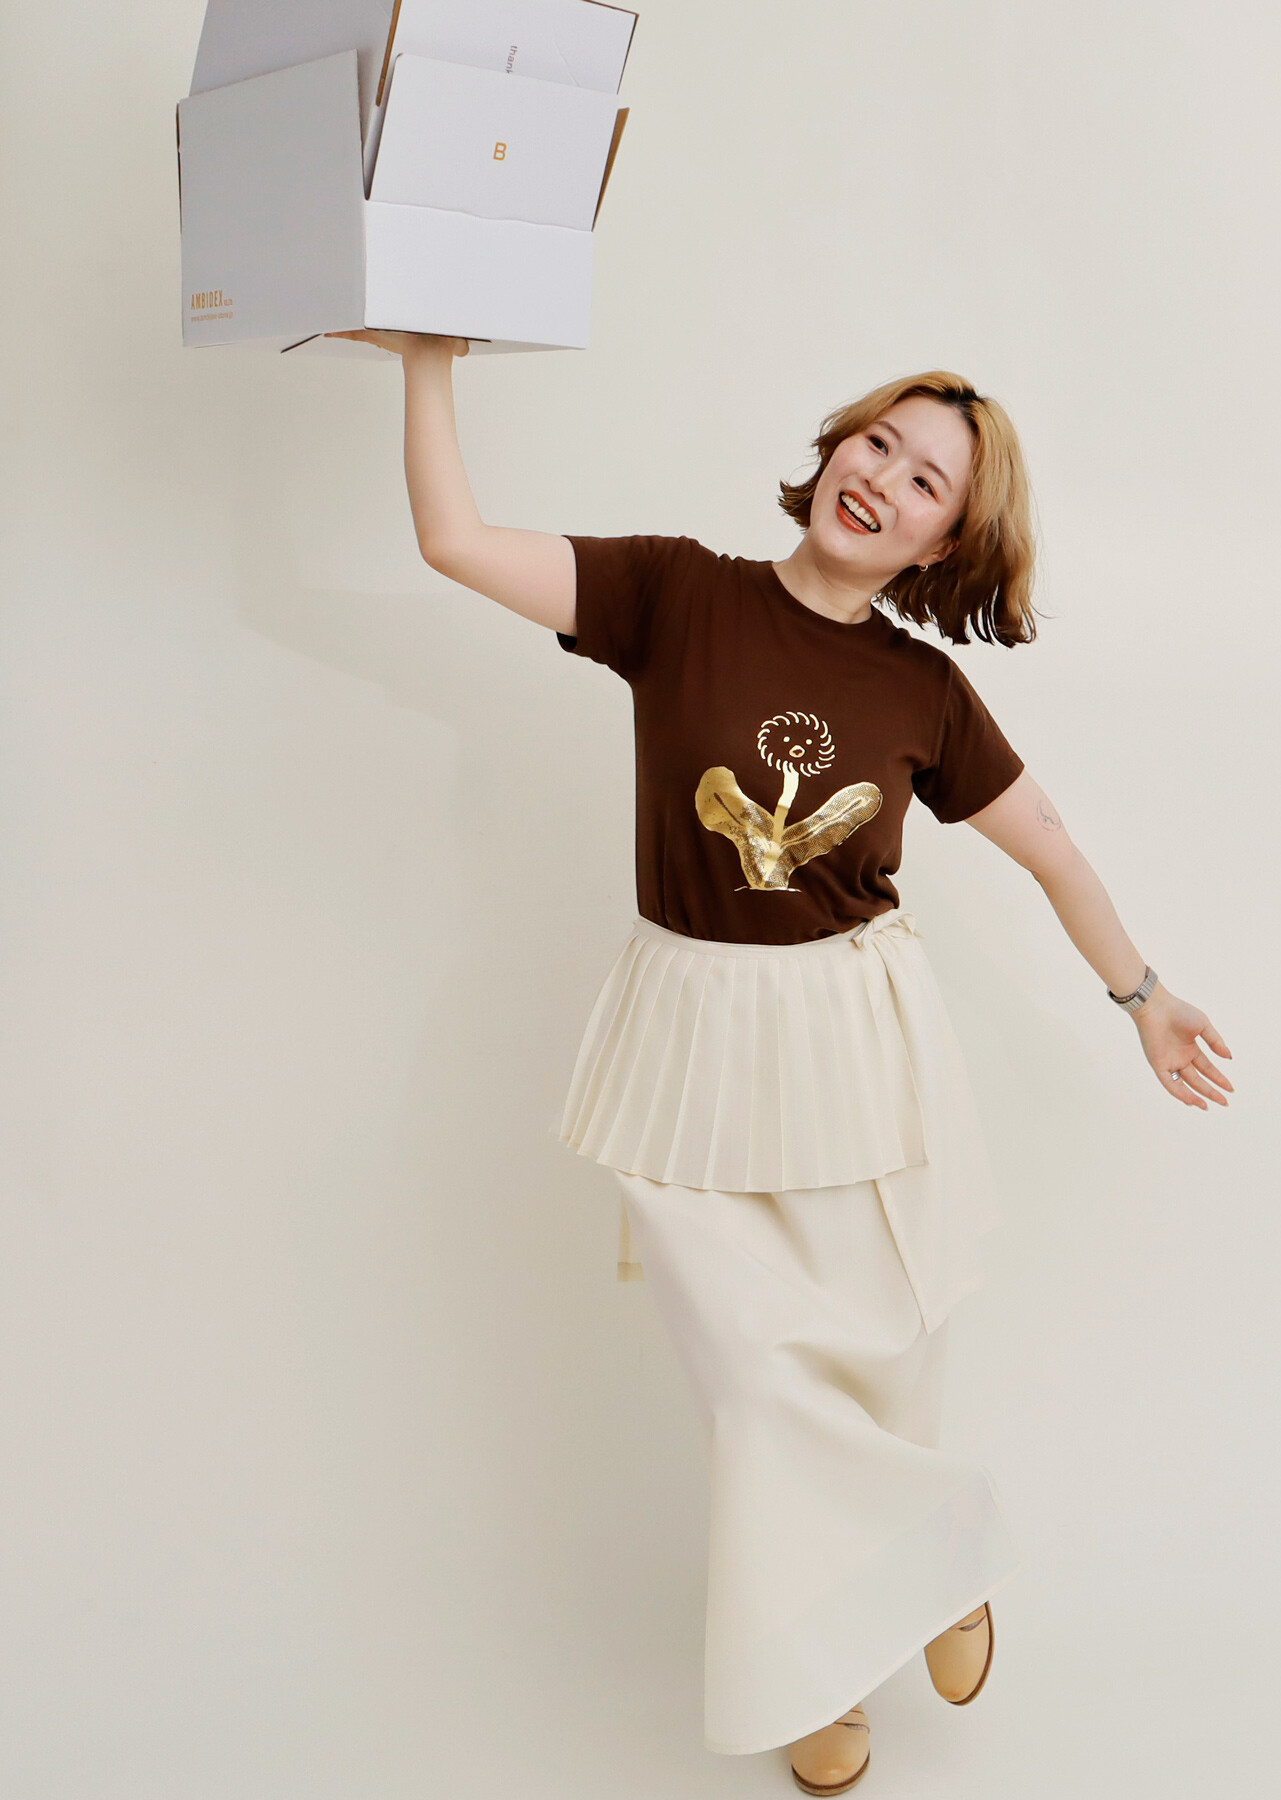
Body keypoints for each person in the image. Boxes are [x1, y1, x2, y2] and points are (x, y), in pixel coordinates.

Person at [331, 329, 1234, 1794]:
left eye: (928, 481)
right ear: (832, 450)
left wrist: (1141, 994)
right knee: (754, 1385)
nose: (885, 478)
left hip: (853, 1037)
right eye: (878, 443)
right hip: (683, 1037)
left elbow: (1053, 848)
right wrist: (428, 360)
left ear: (945, 542)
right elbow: (453, 540)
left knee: (884, 1364)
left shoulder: (924, 693)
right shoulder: (674, 592)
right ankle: (936, 1559)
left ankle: (835, 1655)